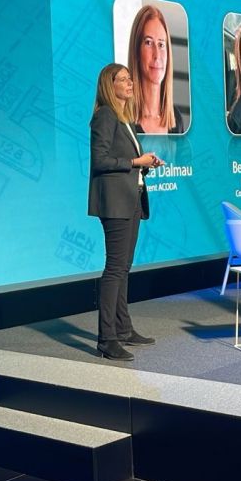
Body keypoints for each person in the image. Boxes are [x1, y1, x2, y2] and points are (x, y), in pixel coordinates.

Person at [88, 62, 163, 360]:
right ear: (110, 85)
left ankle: (123, 329)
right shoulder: (105, 115)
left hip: (132, 198)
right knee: (115, 268)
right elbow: (100, 160)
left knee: (124, 267)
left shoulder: (125, 119)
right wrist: (135, 162)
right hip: (115, 202)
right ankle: (106, 339)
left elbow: (127, 161)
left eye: (131, 78)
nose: (130, 83)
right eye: (123, 79)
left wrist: (146, 165)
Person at [127, 5, 186, 134]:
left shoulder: (177, 119)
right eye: (148, 42)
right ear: (136, 51)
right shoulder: (122, 120)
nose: (157, 55)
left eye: (161, 44)